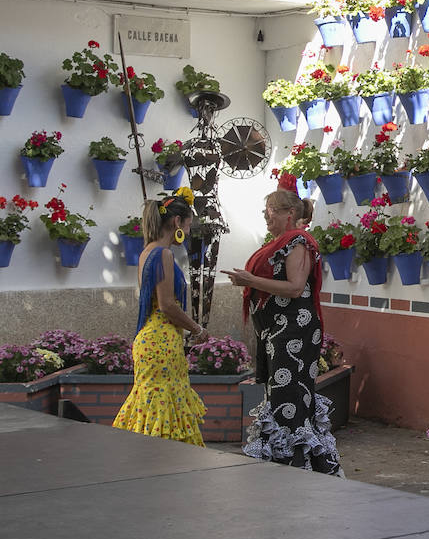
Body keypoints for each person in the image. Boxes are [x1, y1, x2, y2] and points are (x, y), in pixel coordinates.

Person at [225, 191, 342, 474]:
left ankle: (295, 465)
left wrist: (251, 280)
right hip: (278, 333)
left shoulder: (299, 243)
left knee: (289, 396)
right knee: (280, 396)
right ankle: (286, 463)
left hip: (295, 333)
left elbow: (294, 287)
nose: (266, 216)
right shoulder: (283, 243)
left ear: (289, 213)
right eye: (266, 210)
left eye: (271, 210)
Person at [113, 188, 207, 445]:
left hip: (150, 341)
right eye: (188, 225)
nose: (188, 233)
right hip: (161, 342)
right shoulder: (164, 254)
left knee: (151, 411)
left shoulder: (146, 252)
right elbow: (167, 305)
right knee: (166, 412)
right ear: (177, 222)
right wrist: (196, 329)